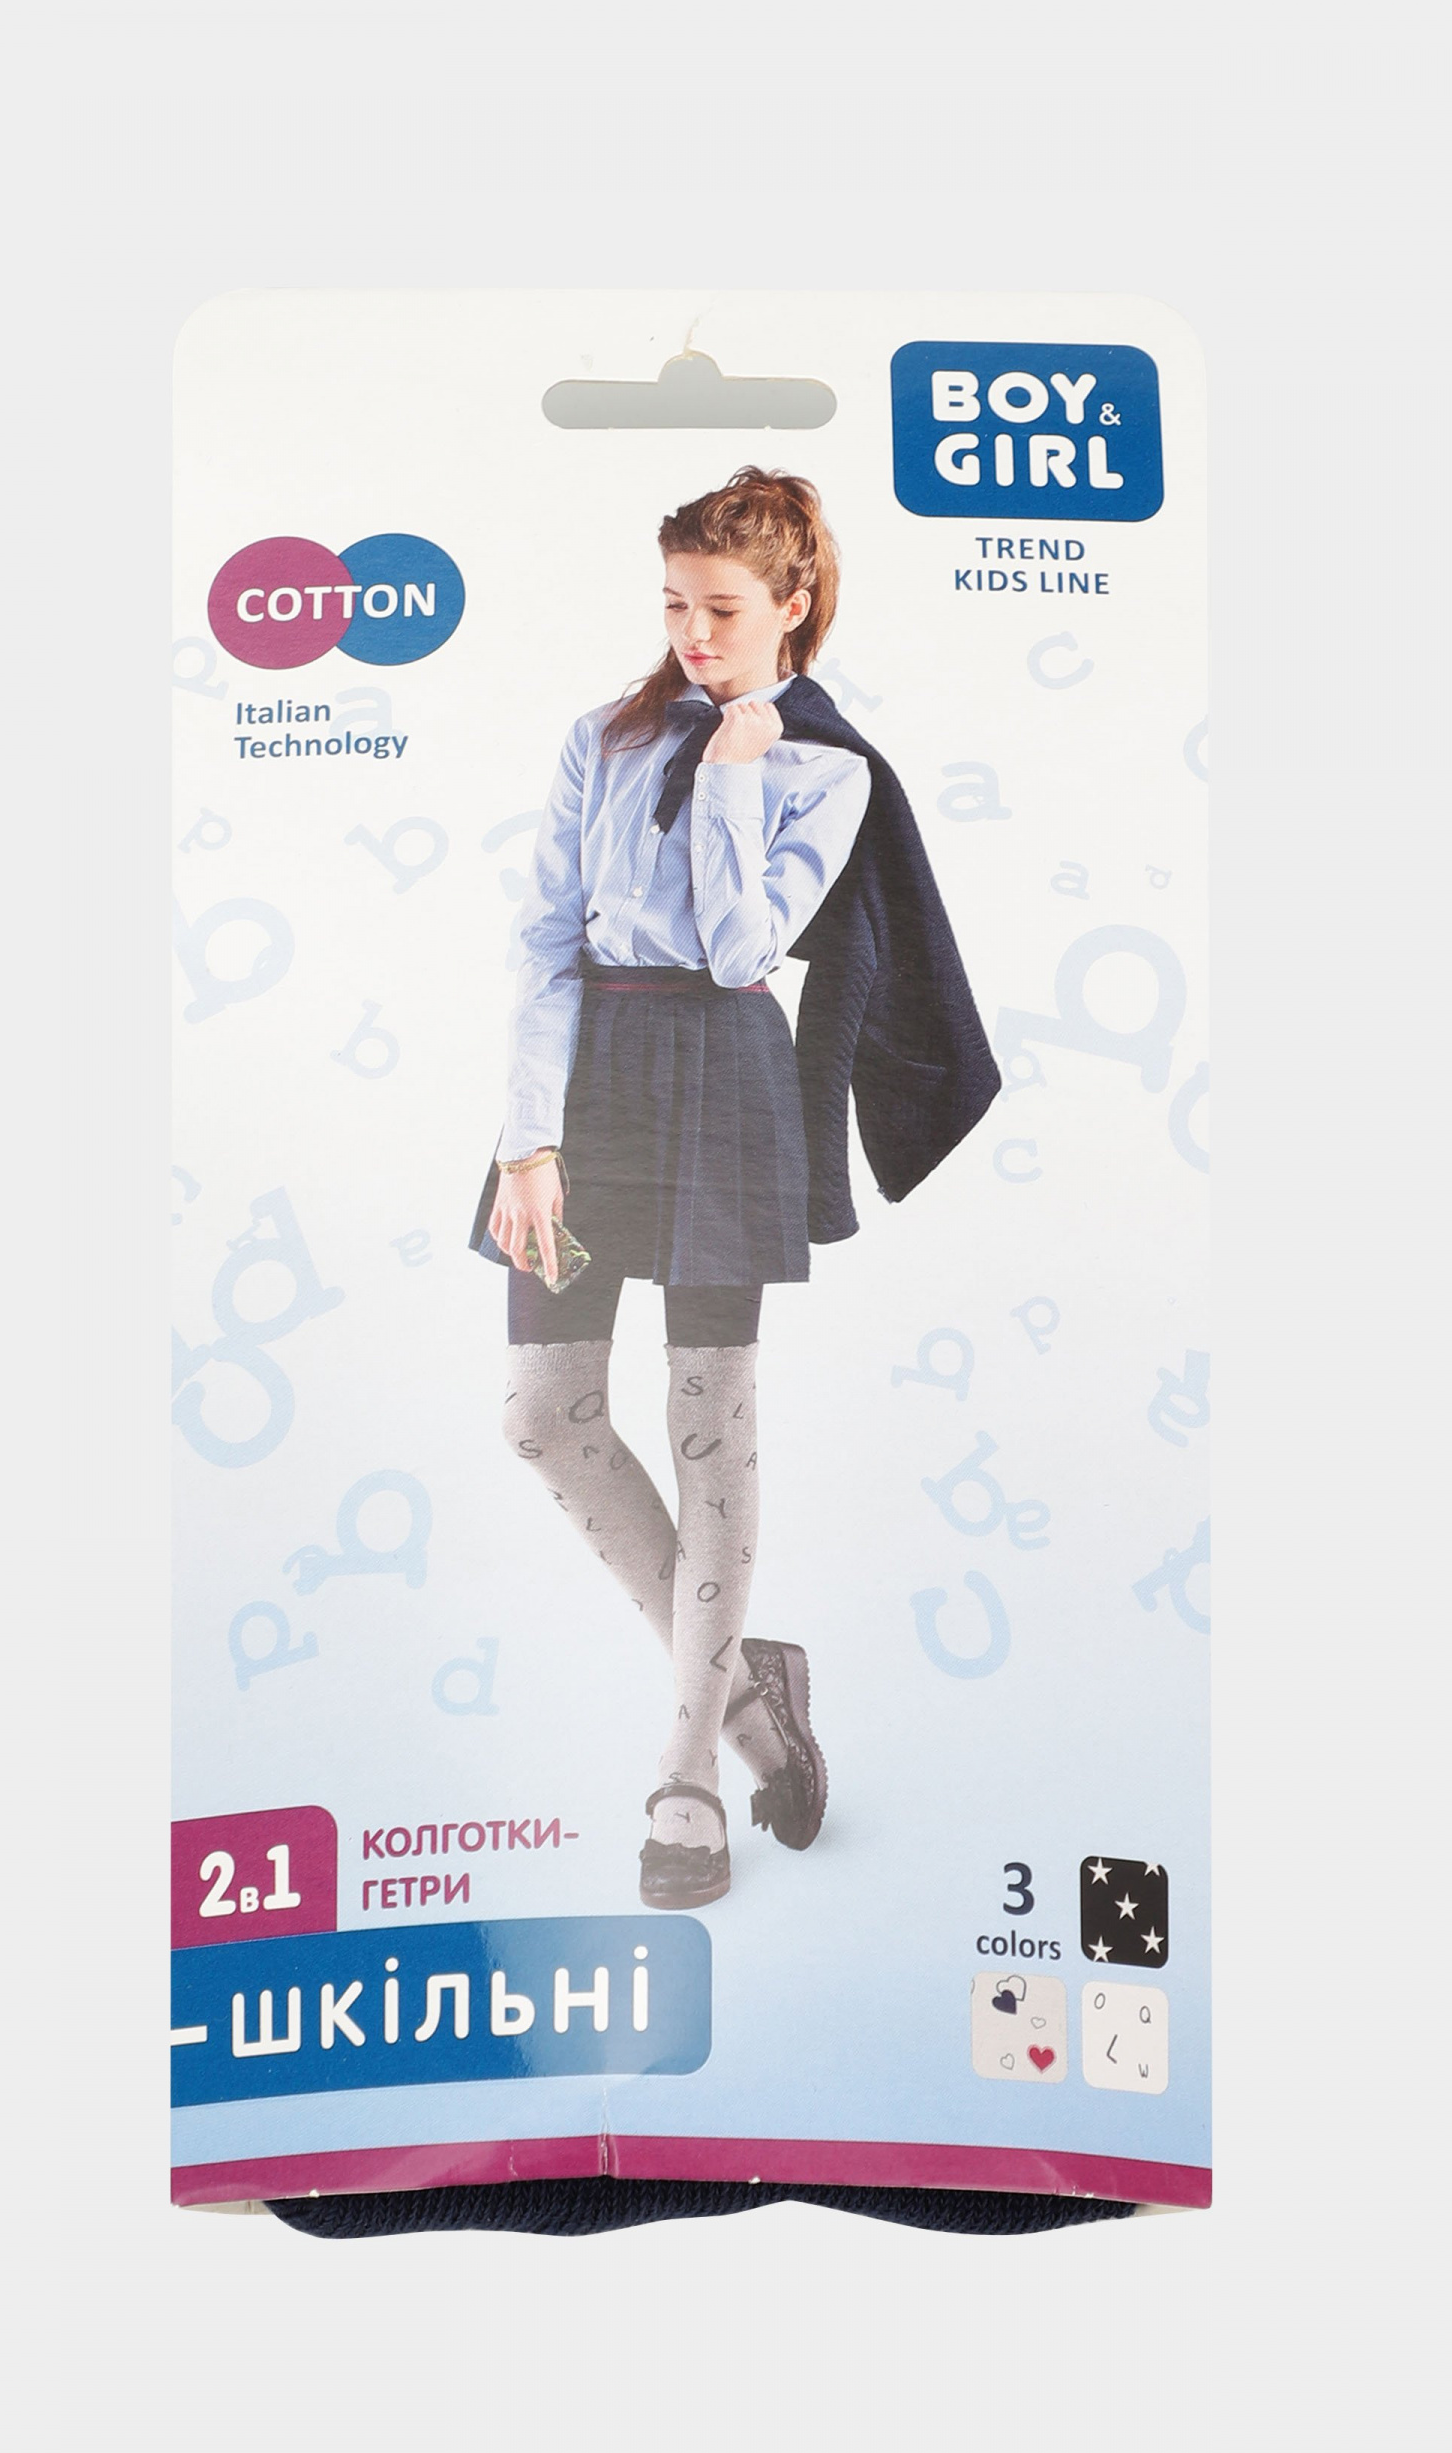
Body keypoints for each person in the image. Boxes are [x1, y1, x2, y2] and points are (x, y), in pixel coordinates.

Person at [472, 466, 995, 1909]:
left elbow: (737, 950)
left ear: (792, 604)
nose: (692, 635)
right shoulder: (600, 737)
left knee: (707, 1421)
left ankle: (688, 1769)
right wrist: (527, 1141)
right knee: (542, 1416)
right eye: (672, 606)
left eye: (720, 608)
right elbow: (543, 941)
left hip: (724, 1081)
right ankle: (758, 1705)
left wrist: (732, 774)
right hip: (584, 1083)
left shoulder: (826, 773)